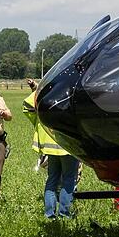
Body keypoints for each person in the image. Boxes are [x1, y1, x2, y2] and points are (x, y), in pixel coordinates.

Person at [23, 78, 80, 219]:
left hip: (49, 146)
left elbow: (27, 106)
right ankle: (64, 213)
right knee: (68, 180)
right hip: (68, 145)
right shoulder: (71, 92)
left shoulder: (45, 93)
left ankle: (49, 214)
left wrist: (38, 121)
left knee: (52, 180)